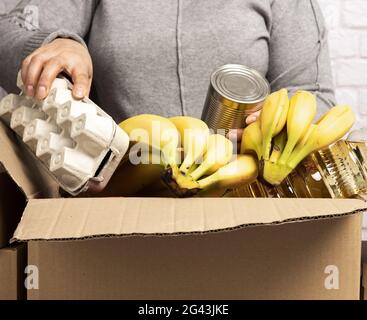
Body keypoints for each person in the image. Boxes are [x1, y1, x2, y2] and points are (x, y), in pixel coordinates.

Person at [0, 0, 335, 140]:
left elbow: (314, 95)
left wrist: (276, 124)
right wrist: (56, 43)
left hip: (248, 198)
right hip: (118, 197)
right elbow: (7, 33)